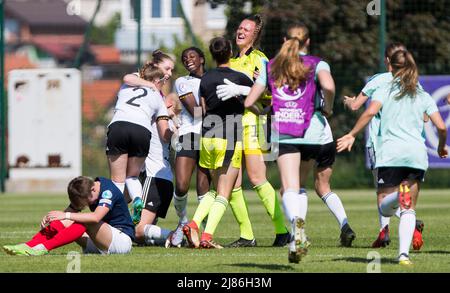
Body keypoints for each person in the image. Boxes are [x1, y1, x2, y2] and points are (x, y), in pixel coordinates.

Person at [243, 22, 356, 263]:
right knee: (303, 186)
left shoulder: (271, 65)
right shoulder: (318, 63)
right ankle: (299, 233)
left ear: (285, 39)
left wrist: (264, 111)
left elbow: (247, 101)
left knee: (289, 188)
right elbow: (329, 86)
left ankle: (297, 233)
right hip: (313, 131)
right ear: (308, 42)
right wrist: (327, 106)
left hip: (285, 132)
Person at [337, 49, 448, 265]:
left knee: (384, 206)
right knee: (409, 209)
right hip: (416, 155)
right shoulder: (422, 93)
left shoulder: (385, 88)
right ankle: (403, 256)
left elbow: (368, 112)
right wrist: (442, 147)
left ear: (390, 63)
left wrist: (351, 134)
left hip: (390, 154)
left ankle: (398, 198)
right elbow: (441, 127)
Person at [216, 14, 290, 248]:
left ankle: (282, 231)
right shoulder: (229, 60)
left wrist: (265, 84)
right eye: (239, 28)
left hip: (253, 125)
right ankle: (247, 235)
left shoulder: (260, 60)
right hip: (229, 125)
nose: (240, 32)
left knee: (257, 178)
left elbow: (272, 95)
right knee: (234, 184)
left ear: (255, 35)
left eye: (246, 29)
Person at [343, 42, 425, 249]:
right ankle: (387, 231)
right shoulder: (413, 83)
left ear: (387, 60)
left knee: (383, 193)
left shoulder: (378, 80)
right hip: (410, 146)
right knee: (399, 190)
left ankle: (400, 226)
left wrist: (348, 101)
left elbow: (356, 106)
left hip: (382, 144)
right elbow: (424, 117)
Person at [182, 37, 254, 249]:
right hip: (229, 136)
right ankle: (206, 236)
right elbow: (259, 96)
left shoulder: (205, 80)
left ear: (211, 56)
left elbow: (203, 108)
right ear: (230, 52)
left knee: (214, 190)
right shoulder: (240, 77)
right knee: (225, 192)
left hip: (207, 136)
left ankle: (193, 224)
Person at [3, 176, 135, 255]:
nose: (87, 204)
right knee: (68, 220)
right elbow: (69, 213)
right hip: (101, 242)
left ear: (93, 189)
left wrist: (65, 215)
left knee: (87, 220)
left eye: (87, 201)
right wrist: (53, 218)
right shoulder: (88, 189)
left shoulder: (108, 192)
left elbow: (95, 217)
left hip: (121, 241)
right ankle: (29, 246)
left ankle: (43, 248)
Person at [122, 50, 175, 224]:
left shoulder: (160, 96)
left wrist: (169, 116)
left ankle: (177, 236)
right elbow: (127, 78)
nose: (169, 74)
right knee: (127, 185)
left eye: (171, 70)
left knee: (137, 231)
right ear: (155, 66)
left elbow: (164, 133)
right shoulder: (143, 80)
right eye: (167, 69)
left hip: (155, 171)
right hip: (152, 169)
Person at [170, 47, 212, 247]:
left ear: (202, 59)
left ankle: (204, 233)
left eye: (192, 56)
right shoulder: (182, 82)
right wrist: (213, 105)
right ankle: (183, 222)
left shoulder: (214, 77)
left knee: (204, 186)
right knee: (181, 185)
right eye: (184, 58)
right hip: (189, 135)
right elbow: (195, 112)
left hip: (210, 136)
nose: (188, 60)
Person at [135, 93, 183, 247]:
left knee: (138, 230)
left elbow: (166, 136)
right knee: (142, 237)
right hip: (166, 180)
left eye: (164, 100)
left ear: (169, 106)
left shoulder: (162, 121)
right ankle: (170, 238)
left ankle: (176, 235)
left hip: (154, 178)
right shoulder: (170, 122)